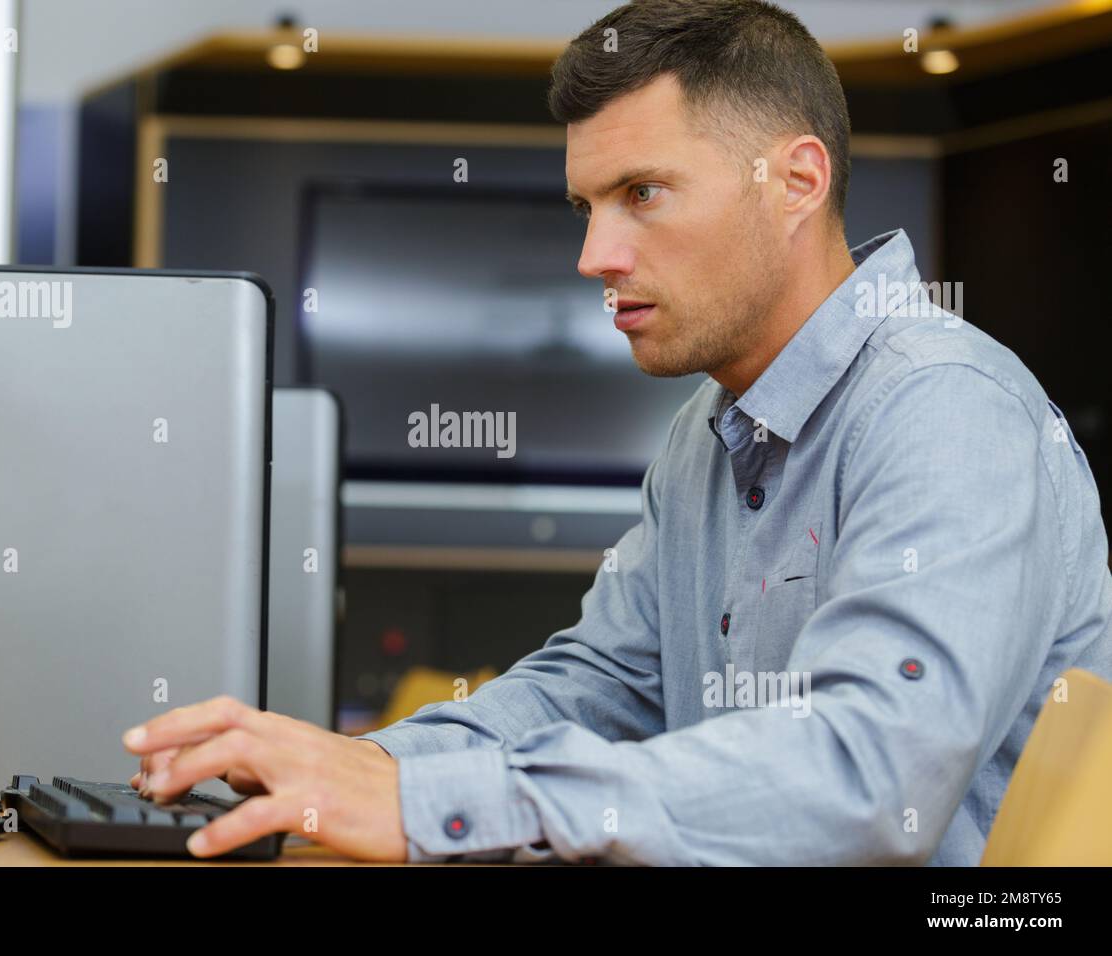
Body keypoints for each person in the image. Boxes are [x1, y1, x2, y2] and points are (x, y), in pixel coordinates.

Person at [122, 0, 1112, 865]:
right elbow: (601, 685)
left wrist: (430, 805)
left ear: (797, 181)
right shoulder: (705, 429)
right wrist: (364, 765)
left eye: (641, 193)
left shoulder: (945, 407)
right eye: (585, 208)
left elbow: (864, 776)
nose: (595, 254)